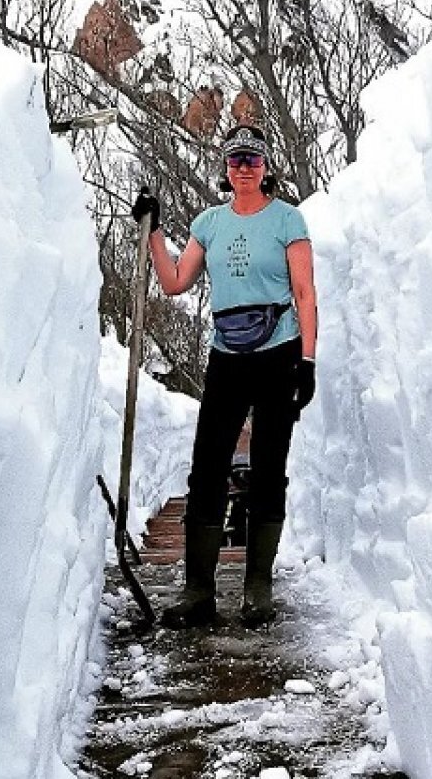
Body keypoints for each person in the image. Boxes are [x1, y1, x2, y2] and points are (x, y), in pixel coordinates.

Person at [130, 124, 317, 628]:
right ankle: (198, 591)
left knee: (269, 465)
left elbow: (304, 294)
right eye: (236, 160)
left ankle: (257, 586)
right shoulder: (209, 223)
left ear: (266, 166)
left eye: (253, 160)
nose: (244, 168)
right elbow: (174, 282)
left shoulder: (287, 220)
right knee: (208, 466)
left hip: (278, 352)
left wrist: (308, 360)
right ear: (226, 167)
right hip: (227, 356)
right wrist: (153, 230)